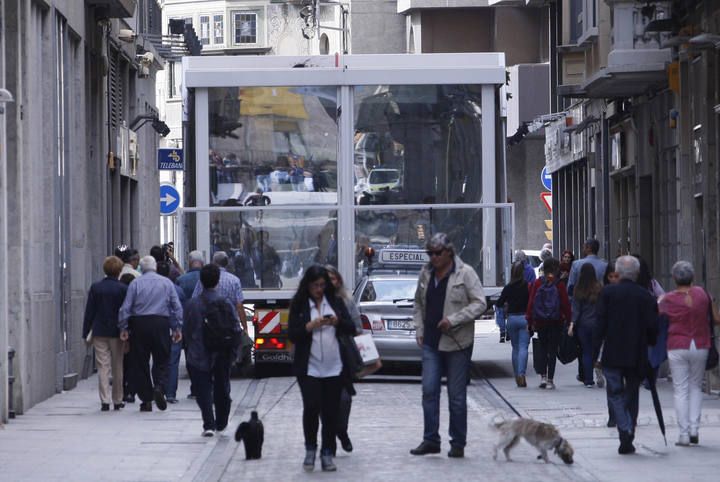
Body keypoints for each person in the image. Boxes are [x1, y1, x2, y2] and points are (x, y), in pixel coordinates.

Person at [410, 233, 487, 459]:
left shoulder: (466, 273)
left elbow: (480, 303)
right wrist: (420, 329)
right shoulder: (425, 273)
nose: (433, 257)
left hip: (457, 342)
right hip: (432, 343)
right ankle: (431, 439)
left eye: (437, 253)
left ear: (449, 252)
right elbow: (417, 303)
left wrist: (453, 320)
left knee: (456, 396)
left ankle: (458, 442)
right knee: (429, 391)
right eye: (430, 253)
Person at [287, 265, 356, 472]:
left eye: (322, 285)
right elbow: (292, 334)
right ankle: (310, 448)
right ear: (307, 285)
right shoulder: (299, 305)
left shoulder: (334, 302)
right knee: (311, 407)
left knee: (330, 412)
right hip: (309, 367)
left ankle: (327, 452)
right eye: (315, 285)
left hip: (334, 366)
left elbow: (351, 327)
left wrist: (337, 321)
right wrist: (309, 326)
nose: (319, 289)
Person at [593, 255, 658, 455]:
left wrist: (596, 348)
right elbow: (652, 328)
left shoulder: (608, 293)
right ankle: (629, 431)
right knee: (632, 394)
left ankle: (624, 427)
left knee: (615, 393)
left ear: (618, 273)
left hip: (613, 351)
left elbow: (600, 323)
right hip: (636, 352)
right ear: (637, 274)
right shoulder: (645, 296)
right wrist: (649, 343)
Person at [658, 261, 719, 446]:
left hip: (677, 344)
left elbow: (658, 319)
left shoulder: (666, 299)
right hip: (700, 343)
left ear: (675, 278)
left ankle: (683, 433)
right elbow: (716, 319)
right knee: (695, 387)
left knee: (681, 389)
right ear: (692, 277)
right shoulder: (703, 295)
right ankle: (694, 428)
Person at [183, 264, 242, 437]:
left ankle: (208, 423)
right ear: (217, 280)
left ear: (201, 280)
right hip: (221, 352)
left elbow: (187, 328)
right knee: (222, 385)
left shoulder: (192, 304)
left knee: (203, 389)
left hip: (199, 352)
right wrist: (234, 350)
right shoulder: (225, 302)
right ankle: (221, 421)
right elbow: (235, 327)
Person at [118, 256, 183, 412]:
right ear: (154, 267)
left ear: (141, 267)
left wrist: (124, 327)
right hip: (161, 323)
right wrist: (177, 327)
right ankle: (160, 386)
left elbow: (125, 308)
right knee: (162, 358)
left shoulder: (135, 283)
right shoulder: (166, 283)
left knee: (141, 362)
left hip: (140, 324)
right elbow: (177, 307)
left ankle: (146, 399)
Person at [82, 256, 128, 411]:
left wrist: (85, 331)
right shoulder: (123, 289)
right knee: (118, 366)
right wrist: (127, 330)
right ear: (119, 271)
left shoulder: (96, 288)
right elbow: (125, 312)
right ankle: (117, 399)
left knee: (103, 366)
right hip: (117, 331)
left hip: (99, 330)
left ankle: (105, 400)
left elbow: (90, 312)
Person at [325, 265, 362, 454]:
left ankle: (342, 431)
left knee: (344, 399)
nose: (329, 283)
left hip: (343, 357)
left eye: (333, 279)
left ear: (338, 281)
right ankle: (331, 438)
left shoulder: (346, 301)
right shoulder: (314, 302)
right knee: (325, 403)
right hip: (322, 359)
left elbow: (357, 327)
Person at [526, 257, 571, 390]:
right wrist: (569, 320)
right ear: (556, 268)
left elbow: (531, 302)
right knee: (552, 350)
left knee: (543, 348)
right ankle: (550, 380)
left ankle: (543, 377)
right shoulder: (559, 284)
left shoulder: (538, 283)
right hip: (556, 321)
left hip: (540, 321)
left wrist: (529, 320)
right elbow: (565, 304)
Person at [192, 251, 248, 332]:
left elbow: (195, 299)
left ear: (214, 262)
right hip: (229, 326)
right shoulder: (234, 281)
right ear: (226, 263)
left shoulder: (204, 278)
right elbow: (239, 306)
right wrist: (245, 327)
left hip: (208, 326)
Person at [497, 261, 530, 387]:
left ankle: (517, 375)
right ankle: (522, 374)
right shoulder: (527, 286)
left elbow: (499, 303)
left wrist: (506, 304)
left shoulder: (508, 287)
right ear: (523, 272)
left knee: (515, 348)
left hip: (512, 318)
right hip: (525, 318)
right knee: (523, 347)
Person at [158, 261, 186, 404]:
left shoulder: (154, 288)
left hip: (158, 328)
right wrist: (179, 328)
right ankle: (170, 394)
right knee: (173, 362)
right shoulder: (178, 290)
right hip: (173, 329)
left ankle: (158, 387)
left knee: (158, 360)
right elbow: (179, 310)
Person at [569, 263, 602, 388]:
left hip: (583, 324)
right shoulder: (599, 288)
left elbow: (576, 309)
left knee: (586, 351)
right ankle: (596, 366)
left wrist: (572, 324)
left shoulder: (579, 289)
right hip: (597, 324)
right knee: (594, 350)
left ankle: (588, 380)